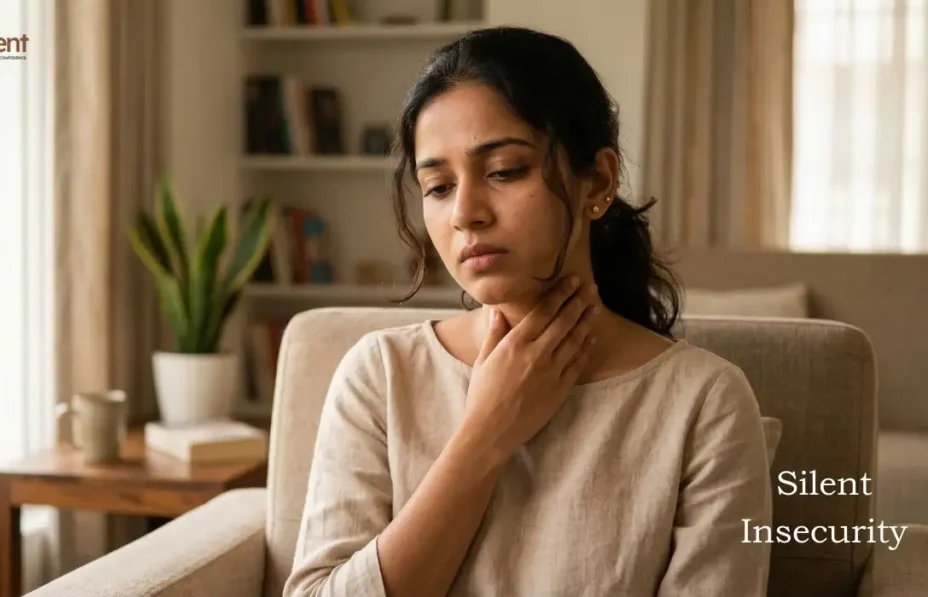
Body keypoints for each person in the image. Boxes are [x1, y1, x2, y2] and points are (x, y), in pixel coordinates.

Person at [283, 26, 772, 597]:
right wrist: (485, 434)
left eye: (504, 171)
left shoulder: (705, 402)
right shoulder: (380, 373)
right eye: (438, 186)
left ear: (599, 180)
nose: (465, 213)